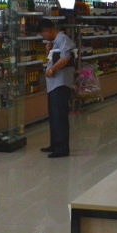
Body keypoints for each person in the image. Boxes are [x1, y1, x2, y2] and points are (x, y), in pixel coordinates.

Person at [38, 19, 75, 158]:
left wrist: (52, 69)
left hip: (61, 83)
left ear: (48, 30)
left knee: (59, 116)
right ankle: (55, 143)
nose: (44, 37)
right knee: (54, 115)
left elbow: (65, 58)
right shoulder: (56, 41)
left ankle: (62, 148)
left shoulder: (63, 38)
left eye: (43, 34)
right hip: (54, 85)